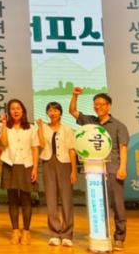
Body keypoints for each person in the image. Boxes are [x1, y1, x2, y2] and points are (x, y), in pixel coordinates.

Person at [70, 86, 129, 251]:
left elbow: (123, 148)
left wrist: (123, 167)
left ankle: (119, 237)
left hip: (113, 169)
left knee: (117, 204)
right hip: (94, 172)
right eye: (96, 104)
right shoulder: (91, 122)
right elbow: (73, 111)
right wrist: (75, 96)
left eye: (102, 104)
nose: (98, 107)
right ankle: (101, 235)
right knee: (98, 204)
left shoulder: (119, 126)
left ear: (109, 106)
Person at [0, 98, 40, 246]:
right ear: (9, 112)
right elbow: (3, 143)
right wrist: (4, 125)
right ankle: (15, 231)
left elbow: (35, 149)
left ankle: (26, 231)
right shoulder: (6, 127)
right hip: (10, 164)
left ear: (23, 111)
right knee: (12, 199)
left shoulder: (31, 128)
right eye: (12, 109)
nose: (15, 111)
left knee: (26, 199)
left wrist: (35, 168)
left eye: (18, 108)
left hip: (26, 165)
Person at [37, 101, 77, 247]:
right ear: (47, 113)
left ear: (60, 113)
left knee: (66, 199)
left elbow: (72, 150)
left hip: (65, 164)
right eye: (50, 110)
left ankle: (67, 234)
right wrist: (40, 127)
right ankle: (54, 233)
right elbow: (41, 145)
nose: (52, 113)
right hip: (48, 163)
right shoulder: (43, 127)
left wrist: (74, 170)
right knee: (51, 199)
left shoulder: (67, 129)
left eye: (55, 110)